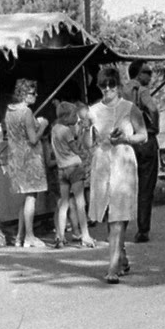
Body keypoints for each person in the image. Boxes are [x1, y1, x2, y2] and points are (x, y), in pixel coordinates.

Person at [88, 66, 147, 283]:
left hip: (123, 162)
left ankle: (112, 268)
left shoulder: (130, 108)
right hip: (102, 163)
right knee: (107, 214)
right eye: (103, 85)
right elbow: (87, 143)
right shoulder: (93, 111)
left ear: (118, 86)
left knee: (118, 217)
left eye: (111, 85)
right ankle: (121, 254)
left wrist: (125, 139)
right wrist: (85, 128)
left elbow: (143, 135)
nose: (107, 89)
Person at [4, 78, 49, 248]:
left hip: (15, 157)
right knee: (31, 196)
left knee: (25, 196)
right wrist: (43, 125)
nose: (35, 96)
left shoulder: (10, 111)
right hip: (29, 158)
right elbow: (33, 139)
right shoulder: (26, 112)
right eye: (32, 93)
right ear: (23, 94)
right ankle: (29, 236)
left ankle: (19, 237)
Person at [121, 60, 160, 243]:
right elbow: (153, 109)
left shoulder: (121, 91)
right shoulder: (141, 91)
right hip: (144, 139)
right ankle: (143, 230)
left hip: (126, 141)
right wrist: (154, 128)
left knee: (125, 186)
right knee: (145, 187)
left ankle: (120, 228)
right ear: (138, 74)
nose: (150, 76)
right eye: (147, 72)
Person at [50, 100, 95, 249]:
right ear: (65, 117)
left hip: (61, 169)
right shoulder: (67, 131)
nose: (76, 118)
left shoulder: (55, 129)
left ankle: (60, 236)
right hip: (74, 167)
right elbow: (76, 148)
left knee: (64, 204)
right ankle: (85, 235)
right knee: (80, 203)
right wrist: (85, 153)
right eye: (74, 115)